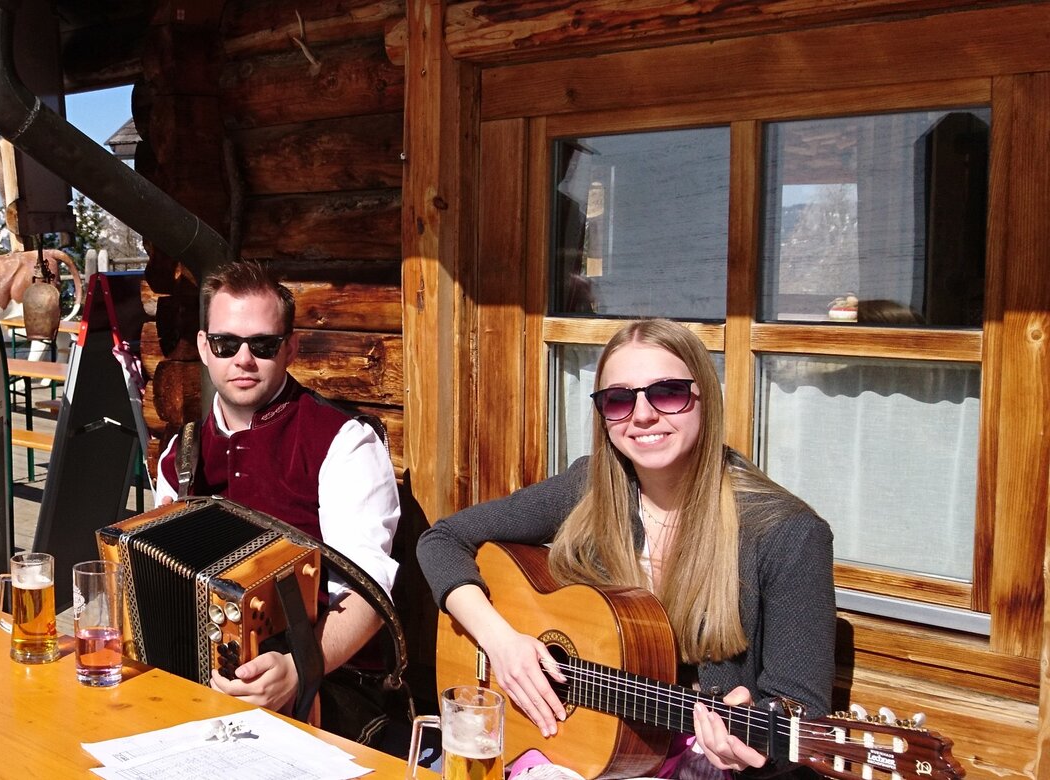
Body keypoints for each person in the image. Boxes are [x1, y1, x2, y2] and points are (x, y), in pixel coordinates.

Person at [416, 319, 834, 777]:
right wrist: (502, 644)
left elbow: (802, 713)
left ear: (705, 400)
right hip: (578, 748)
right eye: (618, 399)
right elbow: (442, 540)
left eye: (667, 393)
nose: (642, 416)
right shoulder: (592, 486)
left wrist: (759, 746)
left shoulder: (787, 533)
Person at [152, 259, 402, 745]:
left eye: (263, 346)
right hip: (204, 693)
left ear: (290, 348)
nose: (243, 359)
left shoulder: (343, 443)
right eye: (226, 344)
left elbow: (369, 596)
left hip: (326, 691)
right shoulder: (178, 457)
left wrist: (298, 669)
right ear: (205, 348)